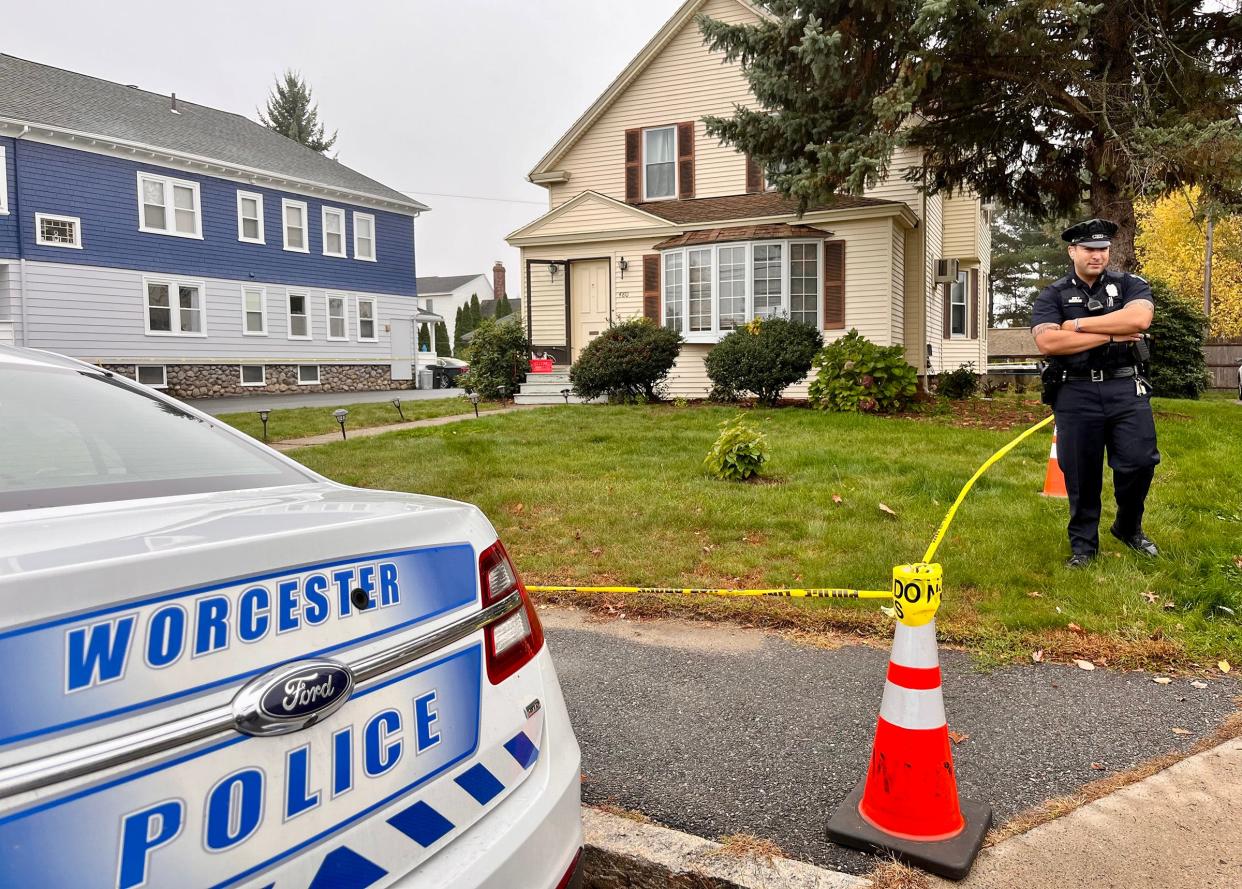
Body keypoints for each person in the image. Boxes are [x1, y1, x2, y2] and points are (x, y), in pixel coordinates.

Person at [1030, 218, 1161, 568]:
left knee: (1139, 461)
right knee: (1081, 473)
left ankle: (1128, 527)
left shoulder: (1131, 284)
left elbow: (1138, 321)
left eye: (1103, 249)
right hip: (1075, 392)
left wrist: (1077, 325)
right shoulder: (1053, 294)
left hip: (1125, 387)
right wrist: (1112, 332)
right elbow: (1048, 341)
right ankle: (1084, 547)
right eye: (1089, 249)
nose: (1097, 255)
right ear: (1072, 250)